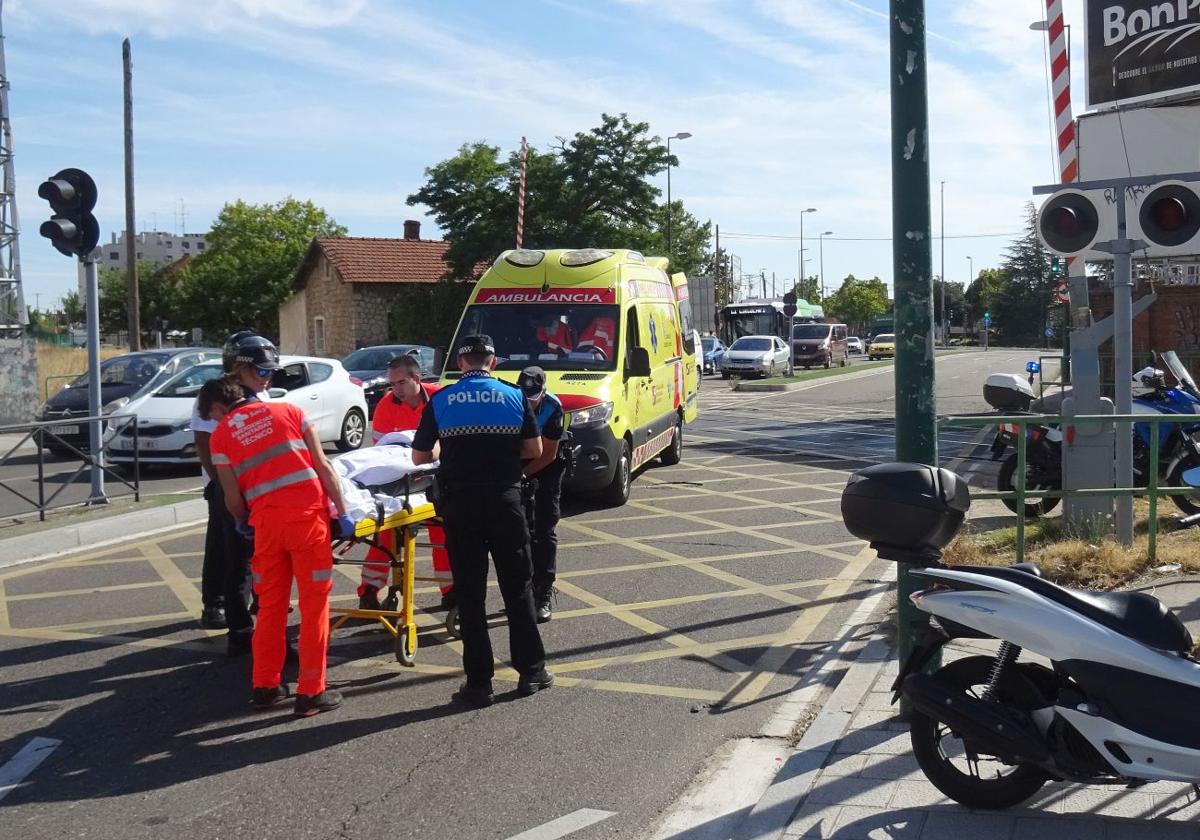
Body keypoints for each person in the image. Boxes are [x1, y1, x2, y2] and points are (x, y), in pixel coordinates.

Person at [201, 368, 354, 717]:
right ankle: (311, 691)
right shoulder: (290, 411)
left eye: (211, 412)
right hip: (307, 522)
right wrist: (342, 512)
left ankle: (266, 686)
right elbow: (324, 467)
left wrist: (242, 520)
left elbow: (232, 497)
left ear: (220, 405)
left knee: (270, 607)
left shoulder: (221, 436)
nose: (212, 419)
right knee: (315, 607)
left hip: (266, 528)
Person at [412, 335, 553, 707]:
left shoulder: (440, 399)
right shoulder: (512, 395)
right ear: (492, 361)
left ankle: (479, 683)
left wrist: (449, 446)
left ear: (461, 363)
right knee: (518, 587)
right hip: (505, 501)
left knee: (471, 594)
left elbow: (419, 456)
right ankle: (532, 672)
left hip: (461, 505)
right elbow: (535, 450)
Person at [193, 330, 275, 650]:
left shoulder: (262, 397)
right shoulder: (215, 396)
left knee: (259, 556)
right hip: (228, 488)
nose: (266, 378)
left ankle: (258, 607)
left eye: (270, 372)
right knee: (230, 557)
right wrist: (225, 489)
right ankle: (226, 616)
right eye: (261, 371)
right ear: (238, 368)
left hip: (257, 489)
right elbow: (204, 443)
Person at [357, 354, 453, 611]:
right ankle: (368, 591)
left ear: (417, 379)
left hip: (436, 478)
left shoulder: (440, 398)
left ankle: (451, 592)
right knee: (384, 535)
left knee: (442, 536)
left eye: (401, 383)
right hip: (401, 481)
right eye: (392, 384)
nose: (395, 390)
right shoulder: (386, 406)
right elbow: (382, 454)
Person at [516, 366, 566, 623]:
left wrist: (523, 476)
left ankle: (543, 590)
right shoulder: (512, 399)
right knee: (519, 530)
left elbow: (548, 454)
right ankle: (524, 591)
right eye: (526, 397)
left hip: (547, 466)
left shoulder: (553, 406)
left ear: (543, 391)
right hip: (519, 463)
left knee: (544, 530)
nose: (529, 402)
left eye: (533, 397)